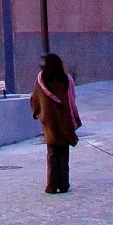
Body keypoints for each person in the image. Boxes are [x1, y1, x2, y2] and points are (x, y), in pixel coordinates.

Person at [30, 52, 81, 194]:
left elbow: (35, 99)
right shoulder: (66, 80)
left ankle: (52, 185)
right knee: (64, 153)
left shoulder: (42, 80)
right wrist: (74, 120)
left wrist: (38, 114)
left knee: (52, 154)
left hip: (50, 123)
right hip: (65, 121)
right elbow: (72, 100)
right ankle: (64, 184)